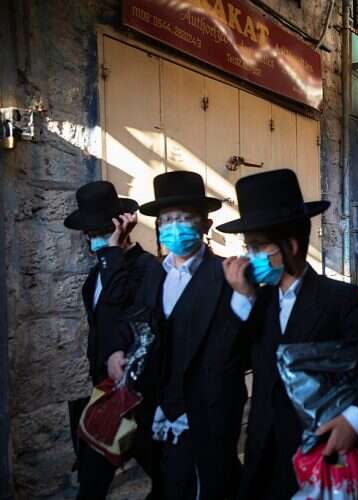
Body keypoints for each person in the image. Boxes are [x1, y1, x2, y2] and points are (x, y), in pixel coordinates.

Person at [220, 169, 358, 499]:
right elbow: (231, 359)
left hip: (327, 452)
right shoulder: (256, 300)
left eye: (257, 248)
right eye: (247, 247)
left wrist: (355, 419)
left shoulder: (338, 299)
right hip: (267, 457)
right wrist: (241, 300)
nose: (249, 257)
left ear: (290, 246)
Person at [114, 171, 248, 499]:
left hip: (210, 410)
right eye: (167, 219)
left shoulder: (225, 276)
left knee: (214, 485)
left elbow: (237, 348)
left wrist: (244, 298)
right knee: (169, 483)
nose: (174, 226)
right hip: (159, 407)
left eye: (185, 218)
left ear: (205, 226)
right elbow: (137, 322)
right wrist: (119, 351)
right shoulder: (154, 274)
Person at [64, 181, 162, 499]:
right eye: (89, 234)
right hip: (106, 397)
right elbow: (102, 325)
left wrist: (112, 253)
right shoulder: (96, 275)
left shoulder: (147, 269)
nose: (94, 239)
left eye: (100, 231)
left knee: (169, 481)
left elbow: (125, 312)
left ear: (121, 225)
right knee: (90, 487)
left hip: (140, 399)